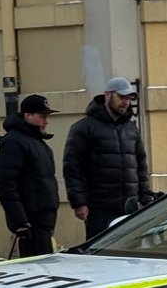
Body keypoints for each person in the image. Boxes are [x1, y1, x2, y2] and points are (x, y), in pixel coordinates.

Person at [63, 76, 154, 240]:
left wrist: (145, 199)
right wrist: (79, 202)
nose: (125, 102)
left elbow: (140, 166)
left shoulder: (131, 129)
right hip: (99, 208)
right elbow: (72, 167)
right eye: (121, 97)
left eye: (128, 98)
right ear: (107, 95)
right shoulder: (83, 128)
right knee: (101, 253)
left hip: (130, 207)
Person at [0, 93, 61, 257]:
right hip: (30, 223)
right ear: (27, 115)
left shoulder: (38, 143)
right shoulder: (14, 141)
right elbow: (5, 183)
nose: (46, 121)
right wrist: (20, 222)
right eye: (42, 116)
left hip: (43, 222)